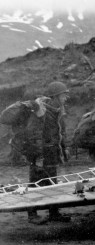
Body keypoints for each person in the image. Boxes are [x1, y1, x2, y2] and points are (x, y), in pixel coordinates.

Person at [24, 82, 71, 224]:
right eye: (64, 95)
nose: (66, 98)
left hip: (52, 153)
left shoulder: (58, 111)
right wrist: (38, 156)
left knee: (52, 183)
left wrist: (64, 148)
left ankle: (54, 213)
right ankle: (32, 215)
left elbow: (61, 133)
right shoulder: (41, 112)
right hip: (40, 154)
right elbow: (33, 135)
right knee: (35, 183)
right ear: (55, 96)